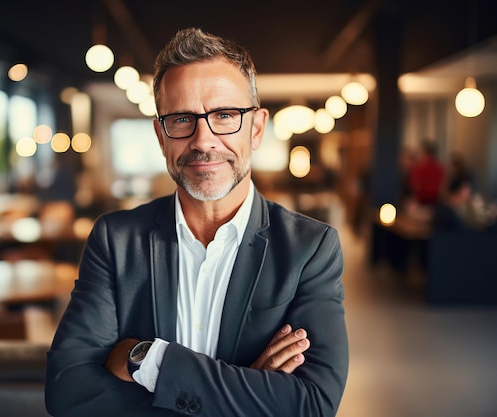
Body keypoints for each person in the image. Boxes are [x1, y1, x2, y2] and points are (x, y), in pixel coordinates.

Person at [45, 28, 348, 417]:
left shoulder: (311, 247)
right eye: (182, 119)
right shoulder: (115, 239)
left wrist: (149, 358)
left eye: (225, 116)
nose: (203, 140)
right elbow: (67, 392)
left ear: (256, 128)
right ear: (161, 136)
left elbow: (312, 404)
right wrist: (246, 391)